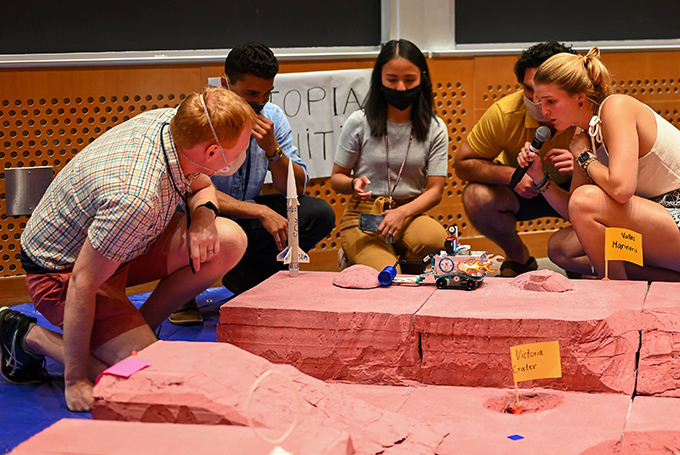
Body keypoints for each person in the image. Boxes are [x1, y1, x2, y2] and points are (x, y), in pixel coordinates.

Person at [0, 86, 256, 412]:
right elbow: (83, 282)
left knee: (229, 241)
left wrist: (202, 220)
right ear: (211, 152)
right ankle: (27, 334)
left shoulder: (176, 128)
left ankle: (138, 330)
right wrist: (75, 380)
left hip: (118, 247)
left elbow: (202, 185)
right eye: (242, 146)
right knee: (141, 375)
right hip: (62, 272)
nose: (245, 152)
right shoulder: (135, 197)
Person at [169, 43, 336, 325]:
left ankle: (249, 277)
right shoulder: (199, 117)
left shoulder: (273, 117)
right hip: (202, 214)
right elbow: (192, 189)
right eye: (250, 94)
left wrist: (273, 150)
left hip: (245, 216)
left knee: (316, 214)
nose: (259, 101)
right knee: (184, 214)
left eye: (266, 93)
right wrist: (258, 211)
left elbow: (296, 188)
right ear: (226, 82)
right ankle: (181, 295)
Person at [517, 47, 680, 281]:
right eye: (540, 102)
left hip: (674, 211)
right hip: (657, 219)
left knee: (588, 199)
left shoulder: (616, 108)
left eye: (551, 101)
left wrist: (584, 157)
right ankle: (658, 283)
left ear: (579, 97)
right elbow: (576, 211)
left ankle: (615, 293)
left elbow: (621, 190)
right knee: (561, 247)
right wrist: (540, 178)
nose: (543, 111)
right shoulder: (583, 135)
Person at [454, 41, 578, 277]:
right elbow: (463, 164)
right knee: (476, 196)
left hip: (574, 193)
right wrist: (511, 175)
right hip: (524, 191)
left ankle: (584, 257)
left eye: (548, 94)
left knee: (599, 196)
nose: (538, 101)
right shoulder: (505, 113)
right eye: (530, 89)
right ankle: (517, 256)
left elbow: (623, 177)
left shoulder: (593, 112)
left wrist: (584, 166)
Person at [330, 39, 448, 274]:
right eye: (392, 80)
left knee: (436, 240)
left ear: (422, 78)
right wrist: (354, 183)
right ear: (380, 80)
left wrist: (403, 213)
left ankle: (395, 256)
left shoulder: (435, 127)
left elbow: (435, 190)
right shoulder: (359, 122)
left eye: (410, 80)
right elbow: (336, 179)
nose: (401, 88)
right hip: (364, 216)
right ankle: (357, 256)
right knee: (388, 276)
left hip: (408, 214)